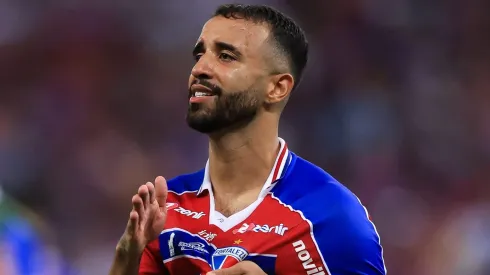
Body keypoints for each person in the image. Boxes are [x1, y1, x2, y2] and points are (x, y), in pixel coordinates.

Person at [109, 4, 386, 275]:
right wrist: (126, 255)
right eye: (199, 55)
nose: (200, 69)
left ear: (277, 87)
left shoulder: (332, 218)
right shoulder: (167, 207)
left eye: (226, 56)